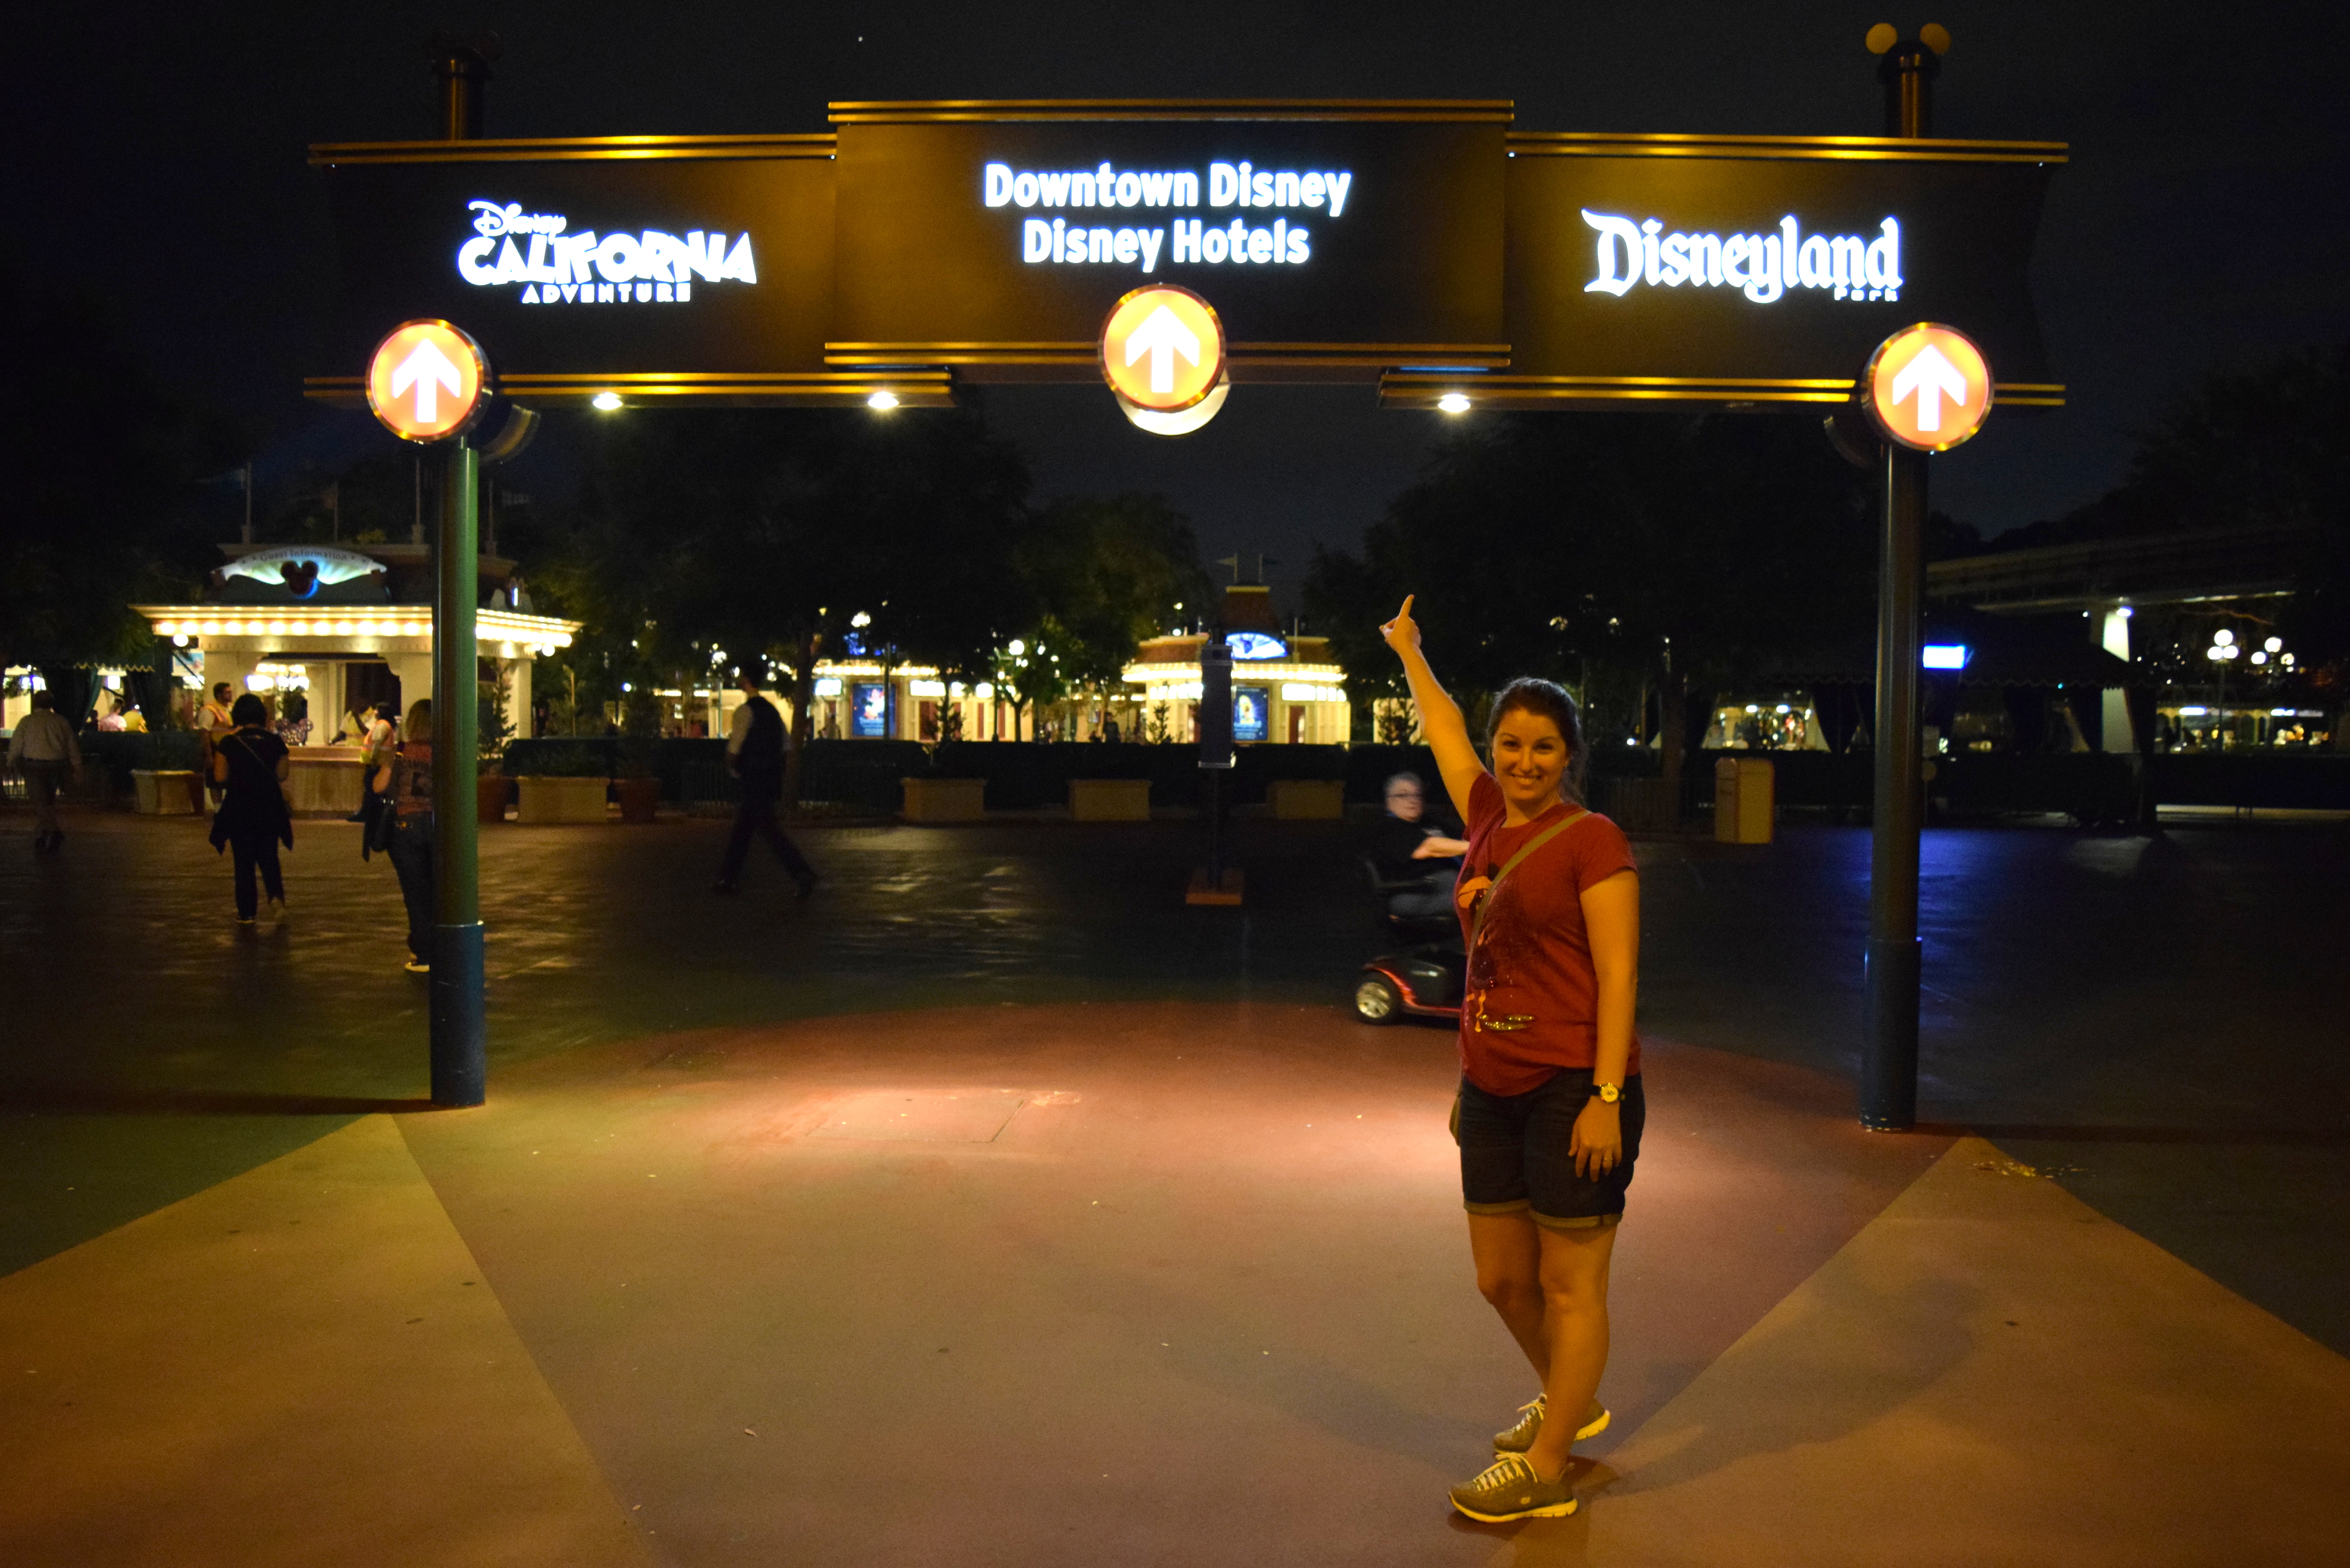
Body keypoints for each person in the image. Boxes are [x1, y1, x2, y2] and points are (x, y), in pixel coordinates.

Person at [1380, 595, 1643, 1525]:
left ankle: (1547, 1469)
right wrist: (1410, 652)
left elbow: (1618, 975)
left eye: (1543, 747)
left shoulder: (1593, 840)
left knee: (1571, 1284)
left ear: (1569, 755)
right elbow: (1444, 729)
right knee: (1500, 1279)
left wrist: (1605, 1096)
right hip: (1489, 1082)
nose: (1523, 761)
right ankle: (1571, 1400)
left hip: (1575, 1084)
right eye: (1511, 744)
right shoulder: (1488, 815)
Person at [714, 668, 817, 898]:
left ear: (746, 680)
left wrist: (733, 770)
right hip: (768, 779)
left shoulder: (745, 712)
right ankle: (729, 878)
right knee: (751, 829)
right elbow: (787, 747)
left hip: (751, 779)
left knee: (760, 831)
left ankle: (800, 872)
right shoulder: (772, 712)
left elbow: (733, 750)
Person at [208, 694, 293, 924]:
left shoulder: (229, 743)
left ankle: (247, 912)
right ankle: (276, 898)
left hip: (240, 806)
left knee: (243, 861)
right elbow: (282, 775)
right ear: (261, 715)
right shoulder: (276, 742)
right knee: (269, 856)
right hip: (268, 806)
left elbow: (220, 777)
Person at [374, 699, 435, 973]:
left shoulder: (400, 752)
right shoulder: (446, 753)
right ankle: (444, 947)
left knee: (415, 892)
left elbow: (380, 786)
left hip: (405, 827)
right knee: (438, 889)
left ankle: (423, 953)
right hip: (438, 827)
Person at [1367, 770, 1469, 920]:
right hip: (1414, 892)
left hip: (1448, 884)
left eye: (1417, 795)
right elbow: (1429, 847)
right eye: (1403, 795)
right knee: (1481, 900)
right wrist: (1477, 846)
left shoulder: (1429, 823)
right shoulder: (1389, 827)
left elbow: (1464, 836)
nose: (1413, 800)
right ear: (1389, 801)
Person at [9, 690, 84, 854]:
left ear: (35, 703)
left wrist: (11, 761)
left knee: (40, 802)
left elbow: (17, 745)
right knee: (48, 802)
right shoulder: (60, 721)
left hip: (34, 766)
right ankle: (44, 834)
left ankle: (52, 832)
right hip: (56, 765)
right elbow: (71, 745)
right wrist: (77, 766)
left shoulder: (27, 721)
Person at [197, 682, 237, 805]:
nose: (230, 695)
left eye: (230, 692)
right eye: (227, 692)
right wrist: (209, 755)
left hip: (231, 750)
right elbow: (205, 733)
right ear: (219, 695)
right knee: (215, 782)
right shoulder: (210, 710)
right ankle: (217, 809)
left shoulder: (231, 709)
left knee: (230, 780)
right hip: (216, 748)